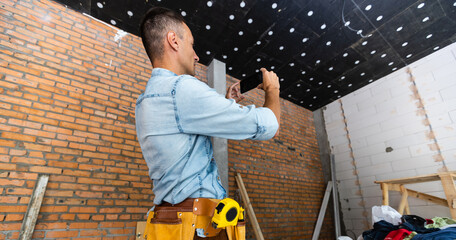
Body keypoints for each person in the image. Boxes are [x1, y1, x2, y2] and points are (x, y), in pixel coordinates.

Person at [136, 6, 281, 240]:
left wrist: (225, 103)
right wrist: (273, 90)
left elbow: (184, 144)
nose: (196, 55)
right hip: (198, 229)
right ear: (173, 40)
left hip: (169, 226)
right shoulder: (181, 88)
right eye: (192, 45)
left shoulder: (145, 101)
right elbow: (270, 125)